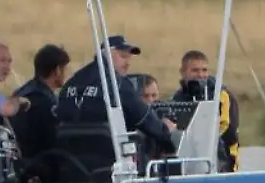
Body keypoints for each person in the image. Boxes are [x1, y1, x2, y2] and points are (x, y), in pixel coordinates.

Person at [55, 35, 177, 166]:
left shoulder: (70, 84)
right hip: (111, 166)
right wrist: (166, 132)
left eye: (129, 58)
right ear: (107, 54)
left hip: (71, 165)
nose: (128, 63)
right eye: (123, 57)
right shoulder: (117, 84)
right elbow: (145, 119)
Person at [8, 44, 71, 183]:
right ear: (56, 71)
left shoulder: (21, 92)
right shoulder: (45, 101)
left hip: (17, 165)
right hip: (40, 168)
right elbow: (54, 139)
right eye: (64, 68)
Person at [171, 49, 241, 172]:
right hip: (191, 162)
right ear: (182, 72)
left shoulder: (222, 95)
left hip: (223, 160)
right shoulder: (177, 98)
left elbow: (226, 129)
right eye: (195, 70)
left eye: (204, 70)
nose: (201, 75)